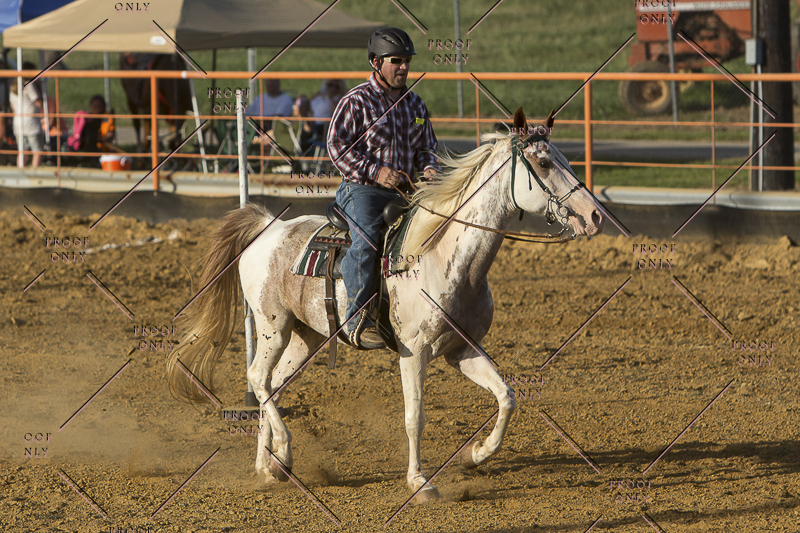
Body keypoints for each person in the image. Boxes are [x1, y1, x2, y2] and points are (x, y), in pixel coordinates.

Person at [327, 27, 440, 350]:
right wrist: (375, 172)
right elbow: (336, 147)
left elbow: (426, 148)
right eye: (396, 61)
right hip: (361, 189)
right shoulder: (356, 101)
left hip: (406, 190)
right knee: (365, 243)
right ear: (376, 62)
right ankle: (357, 320)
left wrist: (430, 168)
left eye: (406, 61)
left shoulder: (415, 105)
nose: (404, 67)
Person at [9, 61, 44, 167]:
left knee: (22, 151)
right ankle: (35, 172)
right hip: (31, 123)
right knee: (37, 151)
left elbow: (12, 106)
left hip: (18, 122)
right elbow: (39, 103)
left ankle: (20, 171)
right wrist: (40, 88)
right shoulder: (28, 85)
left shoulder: (13, 86)